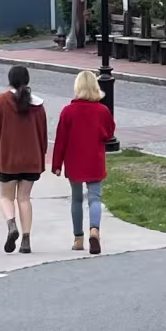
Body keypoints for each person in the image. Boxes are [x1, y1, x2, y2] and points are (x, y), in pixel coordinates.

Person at [51, 70, 116, 255]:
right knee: (95, 198)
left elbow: (61, 139)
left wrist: (57, 164)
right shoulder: (102, 110)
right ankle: (94, 230)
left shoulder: (68, 111)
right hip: (94, 159)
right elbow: (109, 133)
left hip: (74, 161)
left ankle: (78, 239)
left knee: (77, 199)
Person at [0, 64, 48, 254]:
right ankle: (26, 240)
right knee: (24, 198)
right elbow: (43, 135)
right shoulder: (38, 106)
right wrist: (40, 155)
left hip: (8, 157)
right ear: (27, 80)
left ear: (10, 79)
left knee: (6, 197)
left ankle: (11, 225)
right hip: (32, 158)